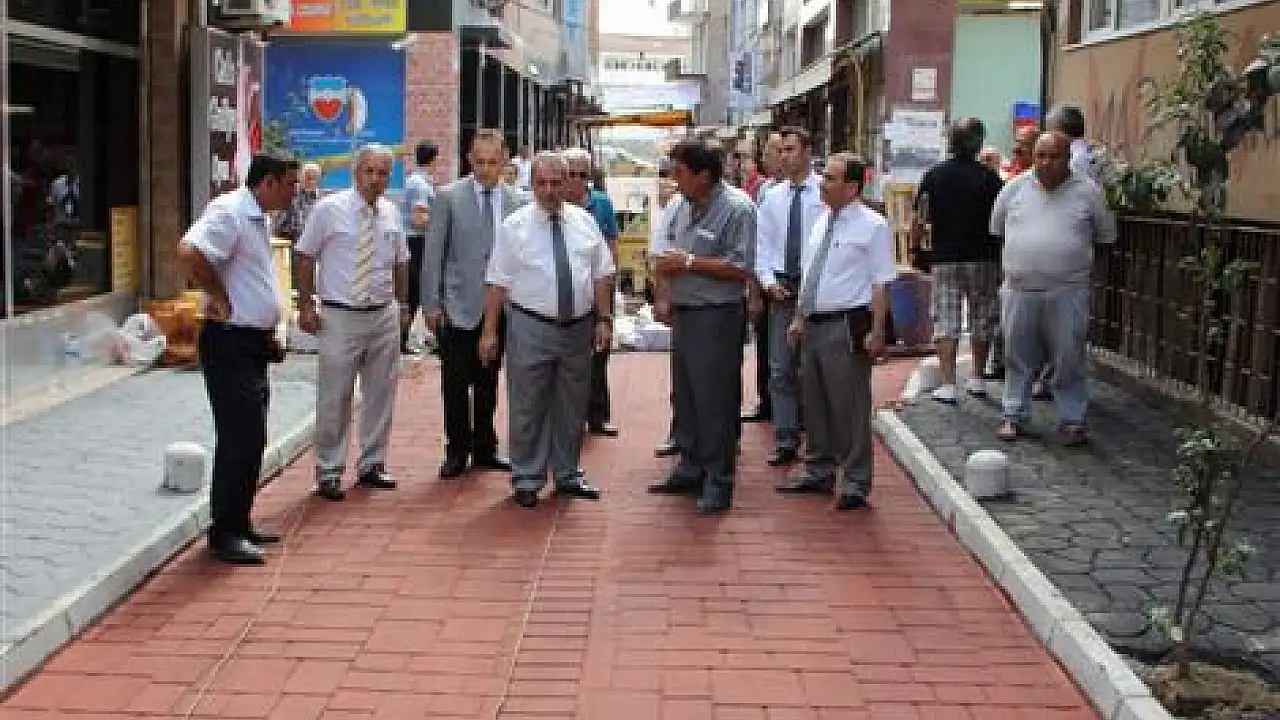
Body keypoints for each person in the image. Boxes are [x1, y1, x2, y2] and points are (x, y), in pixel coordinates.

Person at [178, 153, 298, 565]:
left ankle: (239, 521)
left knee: (253, 437)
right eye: (289, 184)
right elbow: (189, 252)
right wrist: (218, 295)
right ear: (268, 182)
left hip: (252, 343)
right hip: (228, 342)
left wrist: (267, 329)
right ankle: (225, 532)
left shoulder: (258, 217)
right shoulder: (229, 211)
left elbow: (255, 280)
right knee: (239, 438)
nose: (294, 192)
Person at [478, 151, 615, 508]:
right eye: (542, 183)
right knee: (528, 405)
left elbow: (602, 273)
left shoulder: (585, 222)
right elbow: (497, 281)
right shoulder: (515, 226)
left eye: (556, 182)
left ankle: (567, 473)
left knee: (572, 405)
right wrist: (489, 332)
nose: (550, 190)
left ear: (568, 182)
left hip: (578, 328)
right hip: (530, 326)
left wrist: (604, 319)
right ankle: (527, 476)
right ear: (532, 184)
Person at [295, 144, 411, 501]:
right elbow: (305, 256)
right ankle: (329, 470)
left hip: (382, 314)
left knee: (381, 394)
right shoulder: (328, 210)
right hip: (340, 315)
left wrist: (403, 305)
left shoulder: (391, 212)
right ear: (356, 173)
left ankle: (372, 463)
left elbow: (401, 262)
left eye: (382, 173)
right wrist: (306, 305)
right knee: (335, 396)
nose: (375, 179)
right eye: (369, 171)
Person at [647, 138, 756, 514]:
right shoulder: (682, 205)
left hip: (717, 316)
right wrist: (665, 293)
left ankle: (718, 480)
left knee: (715, 400)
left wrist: (692, 263)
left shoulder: (738, 209)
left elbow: (742, 266)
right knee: (688, 396)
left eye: (680, 173)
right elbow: (666, 253)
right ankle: (689, 466)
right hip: (686, 313)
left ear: (704, 176)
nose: (674, 180)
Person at [783, 152, 895, 510]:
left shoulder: (873, 226)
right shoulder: (820, 221)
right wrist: (800, 317)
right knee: (814, 402)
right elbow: (812, 273)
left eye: (831, 178)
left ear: (852, 187)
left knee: (849, 405)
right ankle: (819, 469)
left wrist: (877, 331)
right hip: (814, 324)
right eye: (824, 177)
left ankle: (856, 480)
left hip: (846, 324)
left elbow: (880, 283)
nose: (822, 184)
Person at [990, 131, 1116, 445]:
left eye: (1054, 156)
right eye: (1041, 156)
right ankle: (1013, 414)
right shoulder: (1013, 189)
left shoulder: (1089, 193)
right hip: (1020, 289)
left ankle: (1072, 420)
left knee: (1069, 357)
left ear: (1068, 158)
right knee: (1017, 355)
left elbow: (1105, 239)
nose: (1046, 163)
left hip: (1068, 290)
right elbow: (998, 232)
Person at [422, 129, 526, 478]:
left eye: (492, 162)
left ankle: (484, 447)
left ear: (504, 161)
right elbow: (433, 255)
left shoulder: (518, 202)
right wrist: (431, 304)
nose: (485, 169)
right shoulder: (448, 197)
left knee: (488, 381)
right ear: (469, 160)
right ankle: (456, 449)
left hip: (501, 308)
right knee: (454, 383)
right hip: (457, 306)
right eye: (479, 161)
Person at [910, 117, 1003, 404]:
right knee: (982, 316)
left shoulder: (934, 176)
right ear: (978, 143)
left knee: (946, 318)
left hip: (945, 256)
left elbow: (920, 218)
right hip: (984, 256)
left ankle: (949, 383)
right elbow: (1002, 222)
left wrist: (916, 249)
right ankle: (977, 377)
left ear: (951, 141)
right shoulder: (991, 180)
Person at [755, 126, 824, 468]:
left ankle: (817, 437)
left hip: (817, 288)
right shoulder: (772, 197)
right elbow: (762, 245)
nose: (784, 156)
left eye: (791, 149)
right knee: (780, 367)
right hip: (781, 285)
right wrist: (768, 283)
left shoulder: (824, 193)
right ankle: (785, 438)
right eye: (781, 150)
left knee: (812, 368)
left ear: (807, 151)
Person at [562, 147, 621, 438]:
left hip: (598, 286)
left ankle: (597, 415)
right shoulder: (554, 202)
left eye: (582, 175)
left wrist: (609, 287)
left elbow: (611, 245)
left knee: (599, 351)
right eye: (571, 174)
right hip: (567, 289)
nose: (576, 181)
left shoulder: (601, 204)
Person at [401, 141, 438, 354]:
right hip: (416, 242)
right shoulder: (420, 185)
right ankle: (402, 339)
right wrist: (441, 221)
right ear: (433, 160)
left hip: (415, 242)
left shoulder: (416, 181)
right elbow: (418, 218)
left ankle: (403, 338)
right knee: (414, 291)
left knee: (413, 292)